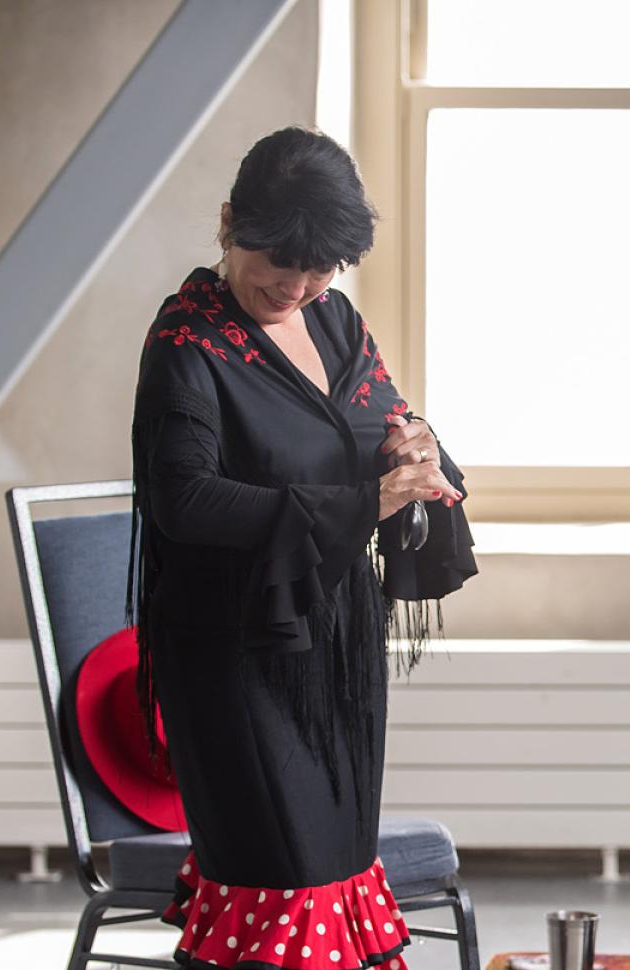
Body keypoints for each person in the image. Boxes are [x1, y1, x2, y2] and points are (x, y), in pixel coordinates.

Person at [129, 126, 477, 970]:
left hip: (333, 645)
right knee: (283, 875)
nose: (295, 285)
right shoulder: (186, 344)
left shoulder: (334, 321)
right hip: (233, 651)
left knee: (333, 868)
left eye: (319, 269)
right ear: (226, 224)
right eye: (277, 264)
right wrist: (364, 499)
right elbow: (185, 500)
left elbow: (379, 423)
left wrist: (413, 449)